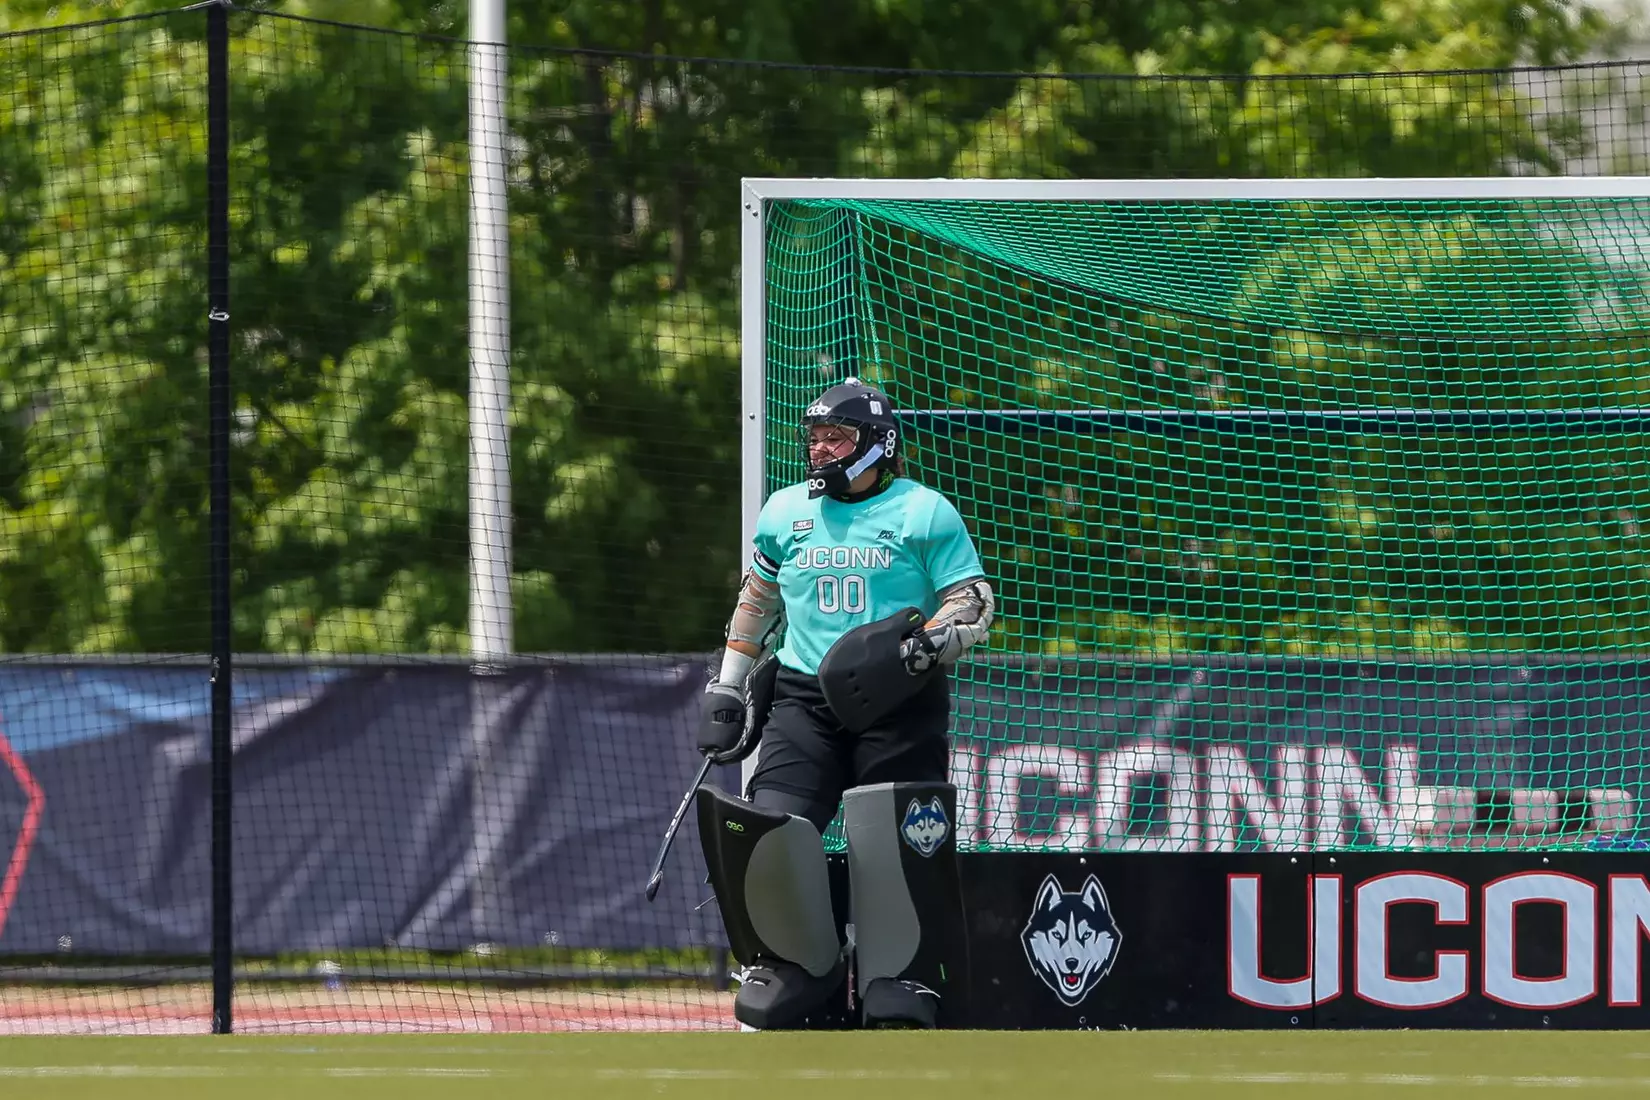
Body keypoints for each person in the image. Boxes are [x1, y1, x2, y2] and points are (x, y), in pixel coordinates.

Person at [695, 376, 994, 1029]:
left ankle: (902, 977)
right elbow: (756, 603)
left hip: (901, 699)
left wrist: (921, 647)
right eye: (816, 437)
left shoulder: (925, 511)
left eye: (838, 436)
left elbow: (972, 602)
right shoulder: (784, 511)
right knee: (772, 826)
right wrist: (728, 684)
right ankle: (796, 965)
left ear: (879, 444)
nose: (821, 448)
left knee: (893, 843)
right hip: (803, 699)